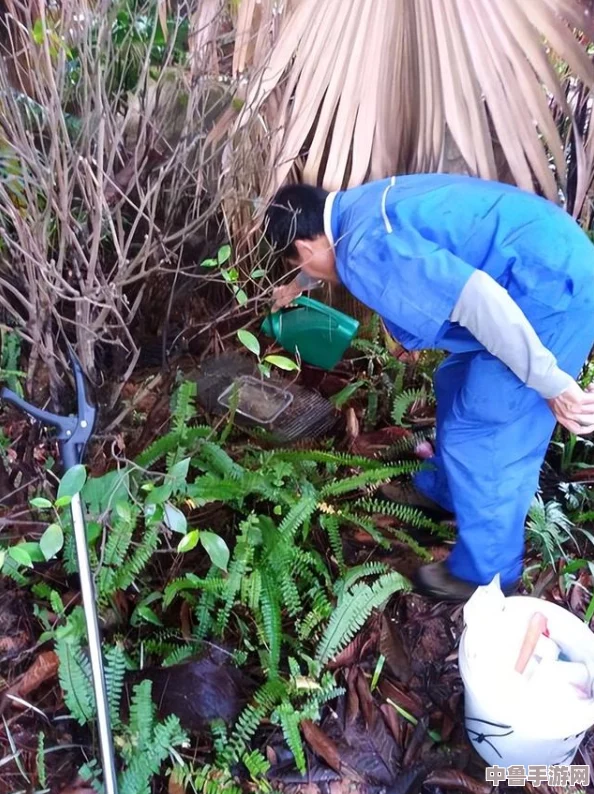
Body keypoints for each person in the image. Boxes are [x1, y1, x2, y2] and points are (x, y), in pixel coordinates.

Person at [263, 173, 594, 602]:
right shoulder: (353, 212)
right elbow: (325, 257)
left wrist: (553, 383)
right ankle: (447, 492)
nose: (305, 272)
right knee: (455, 383)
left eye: (297, 264)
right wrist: (296, 285)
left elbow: (480, 301)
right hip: (544, 258)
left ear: (305, 248)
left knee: (485, 427)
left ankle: (487, 573)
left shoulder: (366, 250)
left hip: (551, 294)